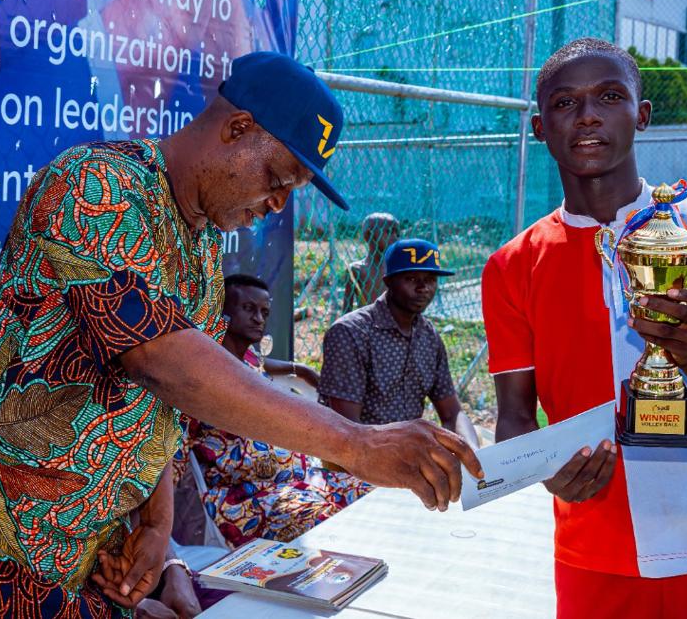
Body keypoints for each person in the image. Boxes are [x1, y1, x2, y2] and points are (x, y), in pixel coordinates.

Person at [0, 51, 481, 619]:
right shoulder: (98, 188)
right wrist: (356, 443)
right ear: (237, 127)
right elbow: (161, 361)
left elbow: (164, 409)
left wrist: (158, 529)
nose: (276, 204)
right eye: (277, 177)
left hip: (82, 548)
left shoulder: (198, 244)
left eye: (290, 192)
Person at [482, 38, 687, 618]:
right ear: (539, 127)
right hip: (594, 552)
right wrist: (547, 472)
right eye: (565, 103)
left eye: (610, 96)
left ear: (642, 115)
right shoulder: (511, 266)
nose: (589, 114)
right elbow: (516, 419)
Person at [176, 274, 371, 547]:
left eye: (264, 312)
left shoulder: (249, 358)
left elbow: (263, 364)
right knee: (328, 520)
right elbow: (175, 448)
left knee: (371, 493)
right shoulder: (202, 375)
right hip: (247, 498)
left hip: (299, 481)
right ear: (222, 312)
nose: (258, 318)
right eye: (248, 309)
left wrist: (300, 370)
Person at [319, 238, 480, 448]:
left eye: (431, 279)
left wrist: (473, 453)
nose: (423, 288)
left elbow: (452, 412)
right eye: (412, 278)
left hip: (411, 455)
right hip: (356, 460)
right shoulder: (351, 333)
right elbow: (347, 430)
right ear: (388, 281)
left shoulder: (429, 337)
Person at [343, 212, 400, 312]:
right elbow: (347, 310)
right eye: (389, 232)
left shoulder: (397, 268)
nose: (395, 238)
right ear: (369, 235)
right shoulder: (356, 270)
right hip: (367, 323)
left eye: (397, 234)